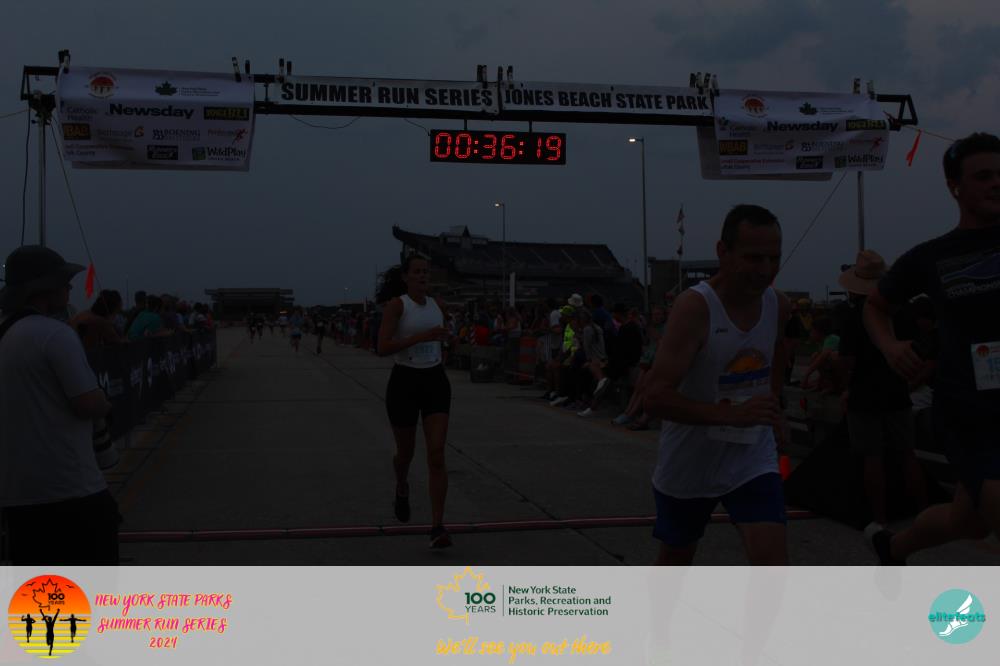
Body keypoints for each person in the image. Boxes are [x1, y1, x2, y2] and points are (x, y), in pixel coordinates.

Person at [864, 133, 1000, 564]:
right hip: (971, 413)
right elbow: (875, 306)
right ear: (954, 186)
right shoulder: (933, 256)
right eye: (983, 176)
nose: (996, 183)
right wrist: (890, 347)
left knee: (968, 521)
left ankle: (893, 548)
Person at [642, 205, 791, 565]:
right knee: (675, 563)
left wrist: (772, 409)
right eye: (753, 258)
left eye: (773, 258)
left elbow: (775, 359)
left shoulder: (779, 305)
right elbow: (654, 398)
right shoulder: (695, 308)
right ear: (723, 252)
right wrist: (732, 415)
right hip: (690, 462)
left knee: (773, 566)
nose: (765, 270)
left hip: (751, 456)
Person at [0, 245, 119, 565]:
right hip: (70, 490)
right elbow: (87, 403)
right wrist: (105, 404)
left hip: (18, 496)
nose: (69, 287)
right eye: (63, 281)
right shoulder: (54, 335)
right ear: (42, 287)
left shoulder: (6, 334)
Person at [838, 250, 928, 531]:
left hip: (864, 392)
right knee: (907, 453)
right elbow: (918, 350)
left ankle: (880, 519)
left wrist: (845, 387)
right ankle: (924, 511)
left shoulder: (854, 316)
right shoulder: (903, 311)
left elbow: (846, 361)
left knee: (872, 457)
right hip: (897, 389)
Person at [377, 255, 454, 548]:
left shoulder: (438, 305)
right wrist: (422, 337)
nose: (423, 276)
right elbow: (382, 347)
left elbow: (442, 338)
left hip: (434, 380)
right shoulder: (398, 306)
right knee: (405, 454)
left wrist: (446, 341)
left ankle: (437, 526)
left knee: (436, 453)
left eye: (426, 272)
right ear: (406, 277)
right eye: (417, 272)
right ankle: (402, 485)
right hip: (404, 382)